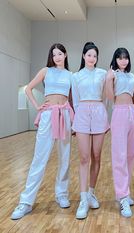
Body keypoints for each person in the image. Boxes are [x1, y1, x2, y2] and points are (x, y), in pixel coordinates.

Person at [11, 43, 74, 220]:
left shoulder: (71, 75)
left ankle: (62, 194)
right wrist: (38, 106)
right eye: (54, 55)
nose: (57, 57)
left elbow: (73, 98)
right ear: (51, 57)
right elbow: (28, 88)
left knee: (65, 157)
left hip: (65, 115)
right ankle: (26, 202)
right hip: (48, 116)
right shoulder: (46, 71)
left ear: (65, 54)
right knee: (39, 158)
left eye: (60, 53)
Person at [72, 42, 109, 219]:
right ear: (83, 56)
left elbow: (107, 97)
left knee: (96, 156)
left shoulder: (103, 74)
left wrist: (102, 111)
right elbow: (76, 100)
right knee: (84, 157)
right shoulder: (76, 76)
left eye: (94, 56)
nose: (92, 58)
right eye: (89, 55)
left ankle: (91, 192)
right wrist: (78, 116)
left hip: (99, 112)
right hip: (82, 114)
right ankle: (83, 199)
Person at [105, 48, 134, 218]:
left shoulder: (132, 77)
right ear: (115, 59)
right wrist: (109, 79)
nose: (123, 60)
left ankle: (125, 191)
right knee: (119, 155)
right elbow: (110, 96)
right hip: (118, 112)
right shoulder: (113, 74)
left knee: (132, 154)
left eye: (125, 58)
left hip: (133, 112)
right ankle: (123, 197)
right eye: (120, 58)